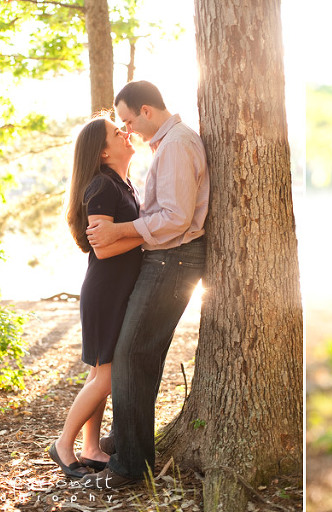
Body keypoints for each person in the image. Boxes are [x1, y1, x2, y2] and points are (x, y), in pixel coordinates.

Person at [81, 80, 209, 488]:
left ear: (147, 112)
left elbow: (174, 218)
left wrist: (120, 231)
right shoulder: (167, 146)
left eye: (129, 120)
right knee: (140, 354)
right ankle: (125, 441)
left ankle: (131, 466)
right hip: (166, 258)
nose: (128, 129)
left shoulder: (175, 145)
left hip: (174, 259)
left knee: (132, 353)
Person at [49, 115, 143, 479]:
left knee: (99, 374)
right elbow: (102, 248)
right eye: (117, 132)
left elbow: (117, 237)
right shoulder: (103, 186)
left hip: (113, 291)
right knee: (107, 376)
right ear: (104, 151)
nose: (126, 132)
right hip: (106, 293)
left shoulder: (120, 183)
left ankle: (90, 448)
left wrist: (142, 232)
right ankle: (63, 444)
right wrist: (151, 234)